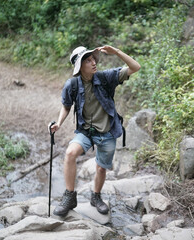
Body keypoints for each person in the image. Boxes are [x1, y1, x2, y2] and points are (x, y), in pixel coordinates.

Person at [49, 45, 140, 216]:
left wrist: (117, 52)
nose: (93, 63)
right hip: (86, 132)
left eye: (93, 59)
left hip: (107, 132)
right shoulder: (72, 84)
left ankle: (96, 197)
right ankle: (70, 197)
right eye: (88, 60)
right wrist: (59, 123)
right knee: (70, 153)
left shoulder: (105, 77)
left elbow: (135, 67)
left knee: (101, 168)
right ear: (80, 66)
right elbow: (66, 107)